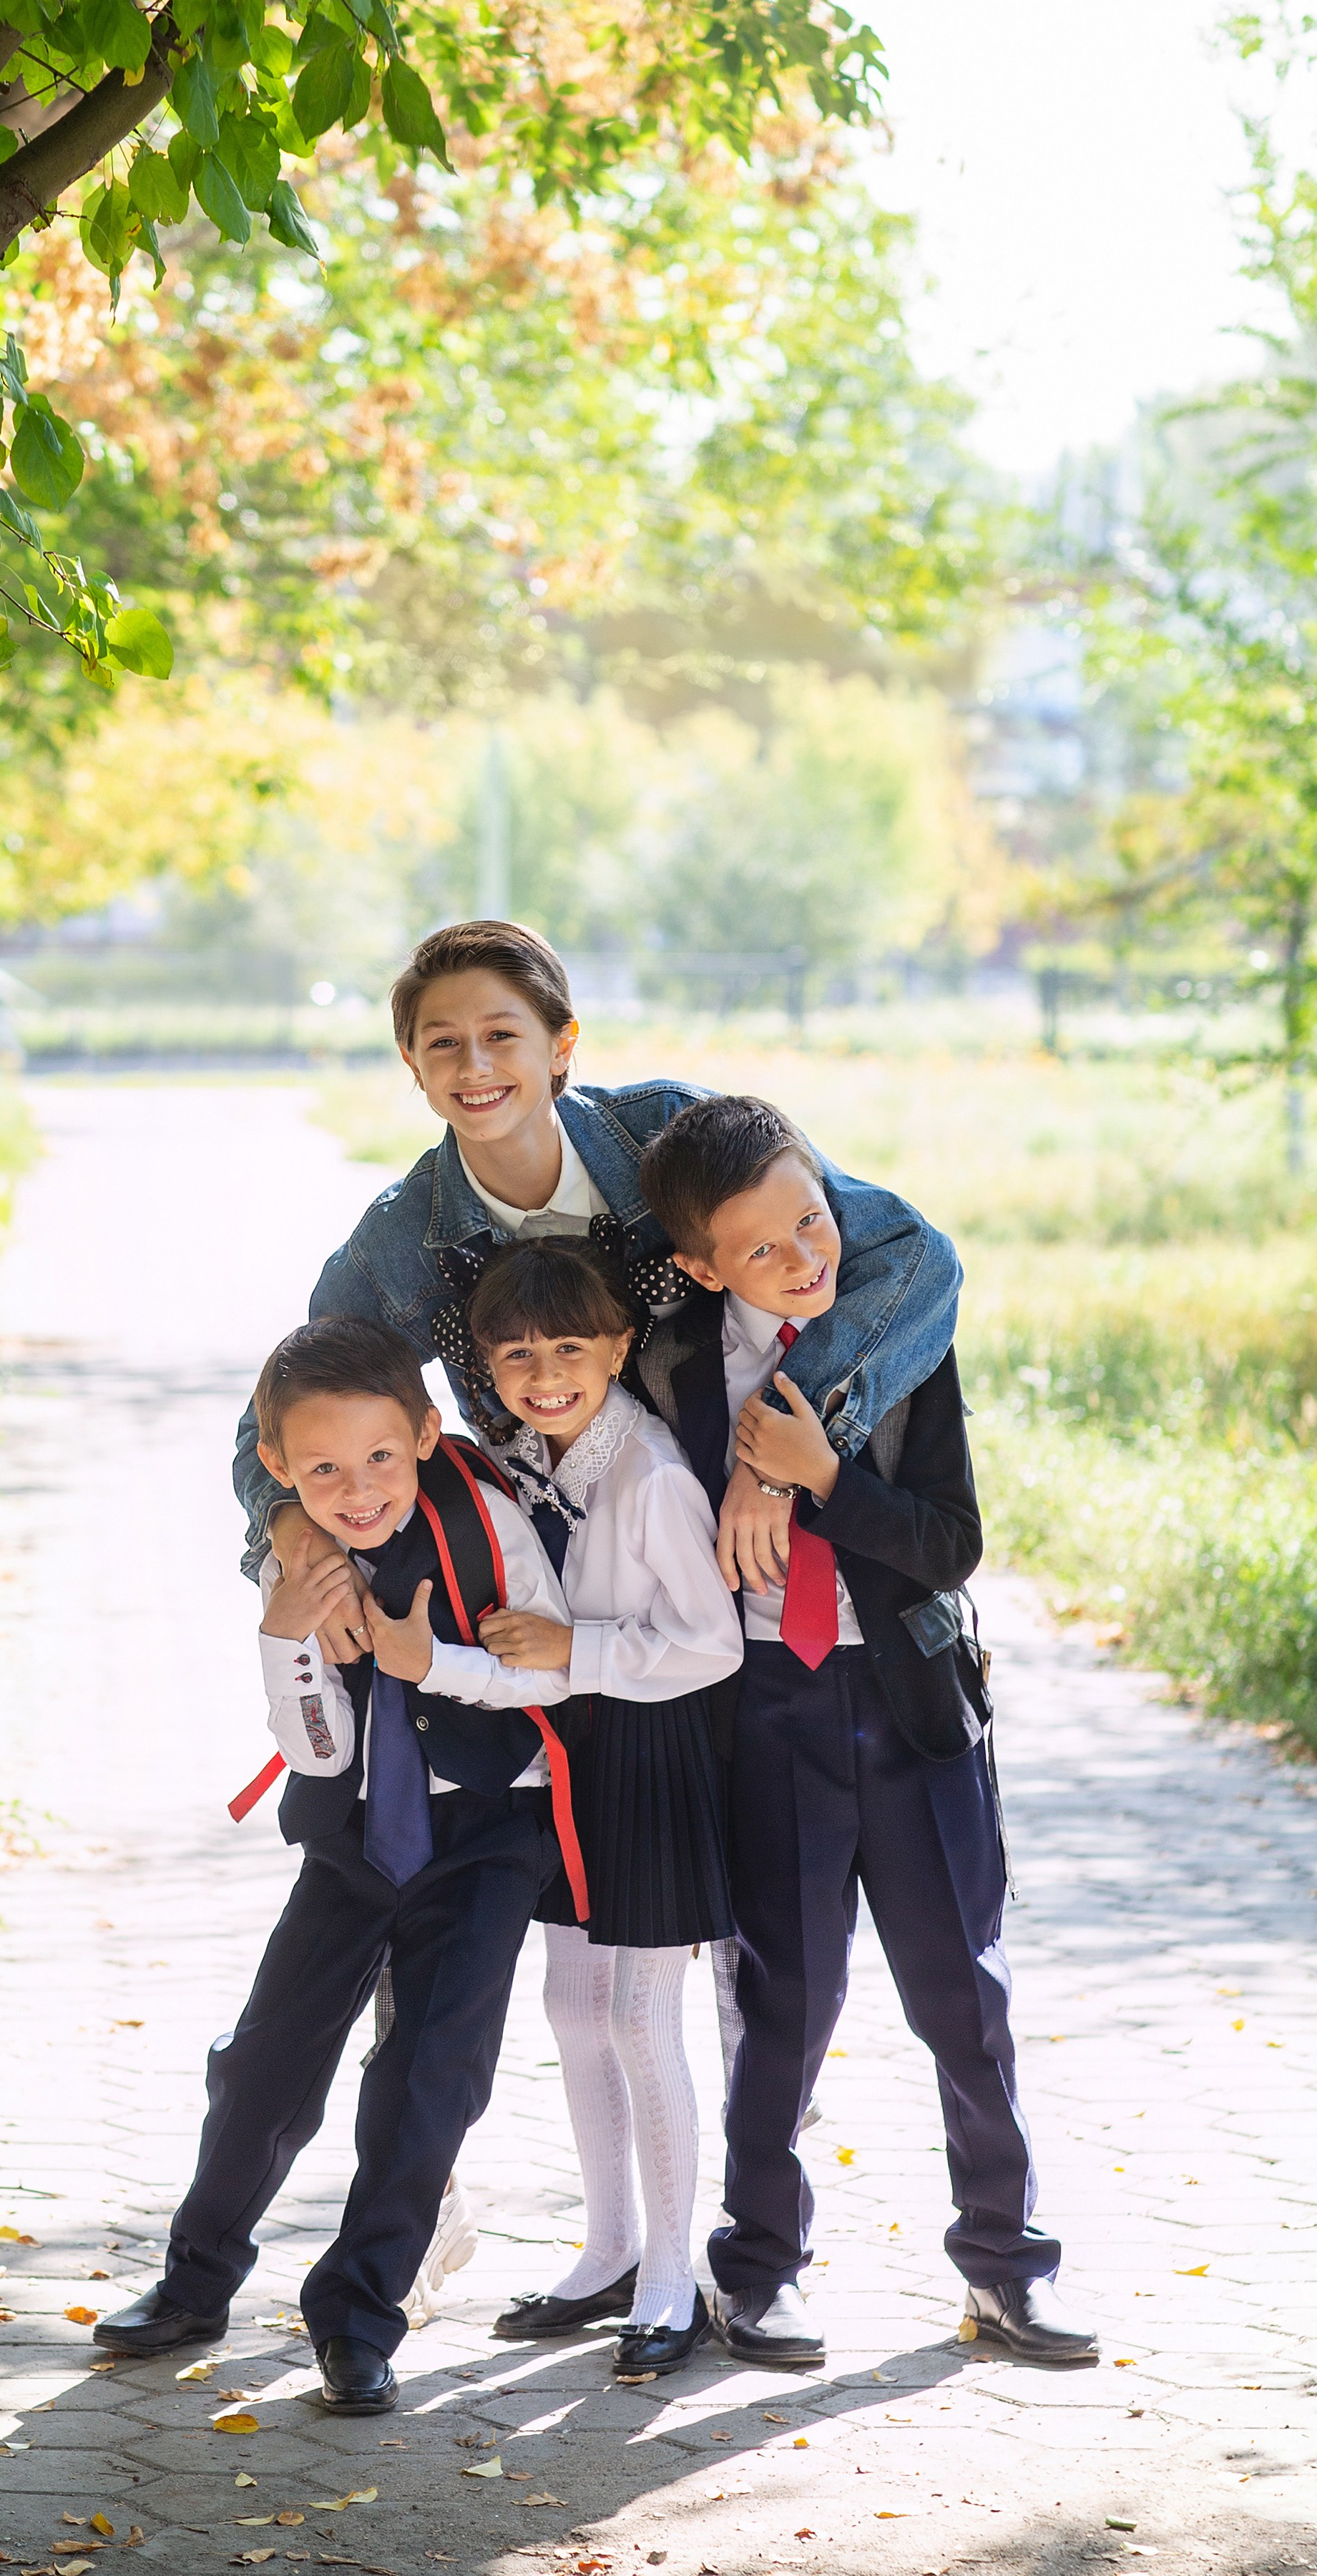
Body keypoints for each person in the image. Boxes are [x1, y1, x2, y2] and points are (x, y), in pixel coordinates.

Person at [637, 1095, 1097, 2369]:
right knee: (781, 2005)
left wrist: (822, 1478)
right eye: (761, 1248)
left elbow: (951, 1544)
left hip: (908, 1708)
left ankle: (1006, 2265)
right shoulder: (671, 1365)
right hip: (762, 1715)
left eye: (810, 1219)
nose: (802, 1257)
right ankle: (759, 2267)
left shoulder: (902, 1341)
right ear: (697, 1266)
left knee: (964, 1995)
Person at [93, 1317, 572, 2413]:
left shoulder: (489, 1519)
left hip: (491, 1832)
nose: (357, 1492)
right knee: (267, 2062)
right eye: (322, 1469)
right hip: (354, 1837)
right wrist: (281, 1637)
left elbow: (547, 1673)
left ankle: (359, 2315)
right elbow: (315, 1746)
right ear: (277, 1468)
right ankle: (196, 2274)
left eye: (380, 1461)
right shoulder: (295, 1558)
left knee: (431, 2077)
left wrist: (435, 1662)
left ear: (423, 1434)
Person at [232, 920, 963, 1628]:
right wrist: (295, 1529)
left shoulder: (670, 1134)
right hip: (570, 1575)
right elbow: (283, 1410)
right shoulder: (399, 1244)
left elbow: (917, 1257)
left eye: (501, 1036)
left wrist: (779, 1452)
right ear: (411, 1063)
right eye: (443, 1043)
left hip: (743, 1533)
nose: (474, 1067)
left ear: (562, 1043)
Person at [466, 1238, 741, 2377]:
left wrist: (572, 1651)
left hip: (657, 1756)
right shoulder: (535, 1454)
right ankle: (610, 2247)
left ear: (621, 1347)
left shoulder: (654, 1478)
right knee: (573, 2010)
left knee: (639, 2017)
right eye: (517, 1354)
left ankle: (676, 2279)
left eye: (570, 1348)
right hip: (575, 1754)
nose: (544, 1372)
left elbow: (712, 1644)